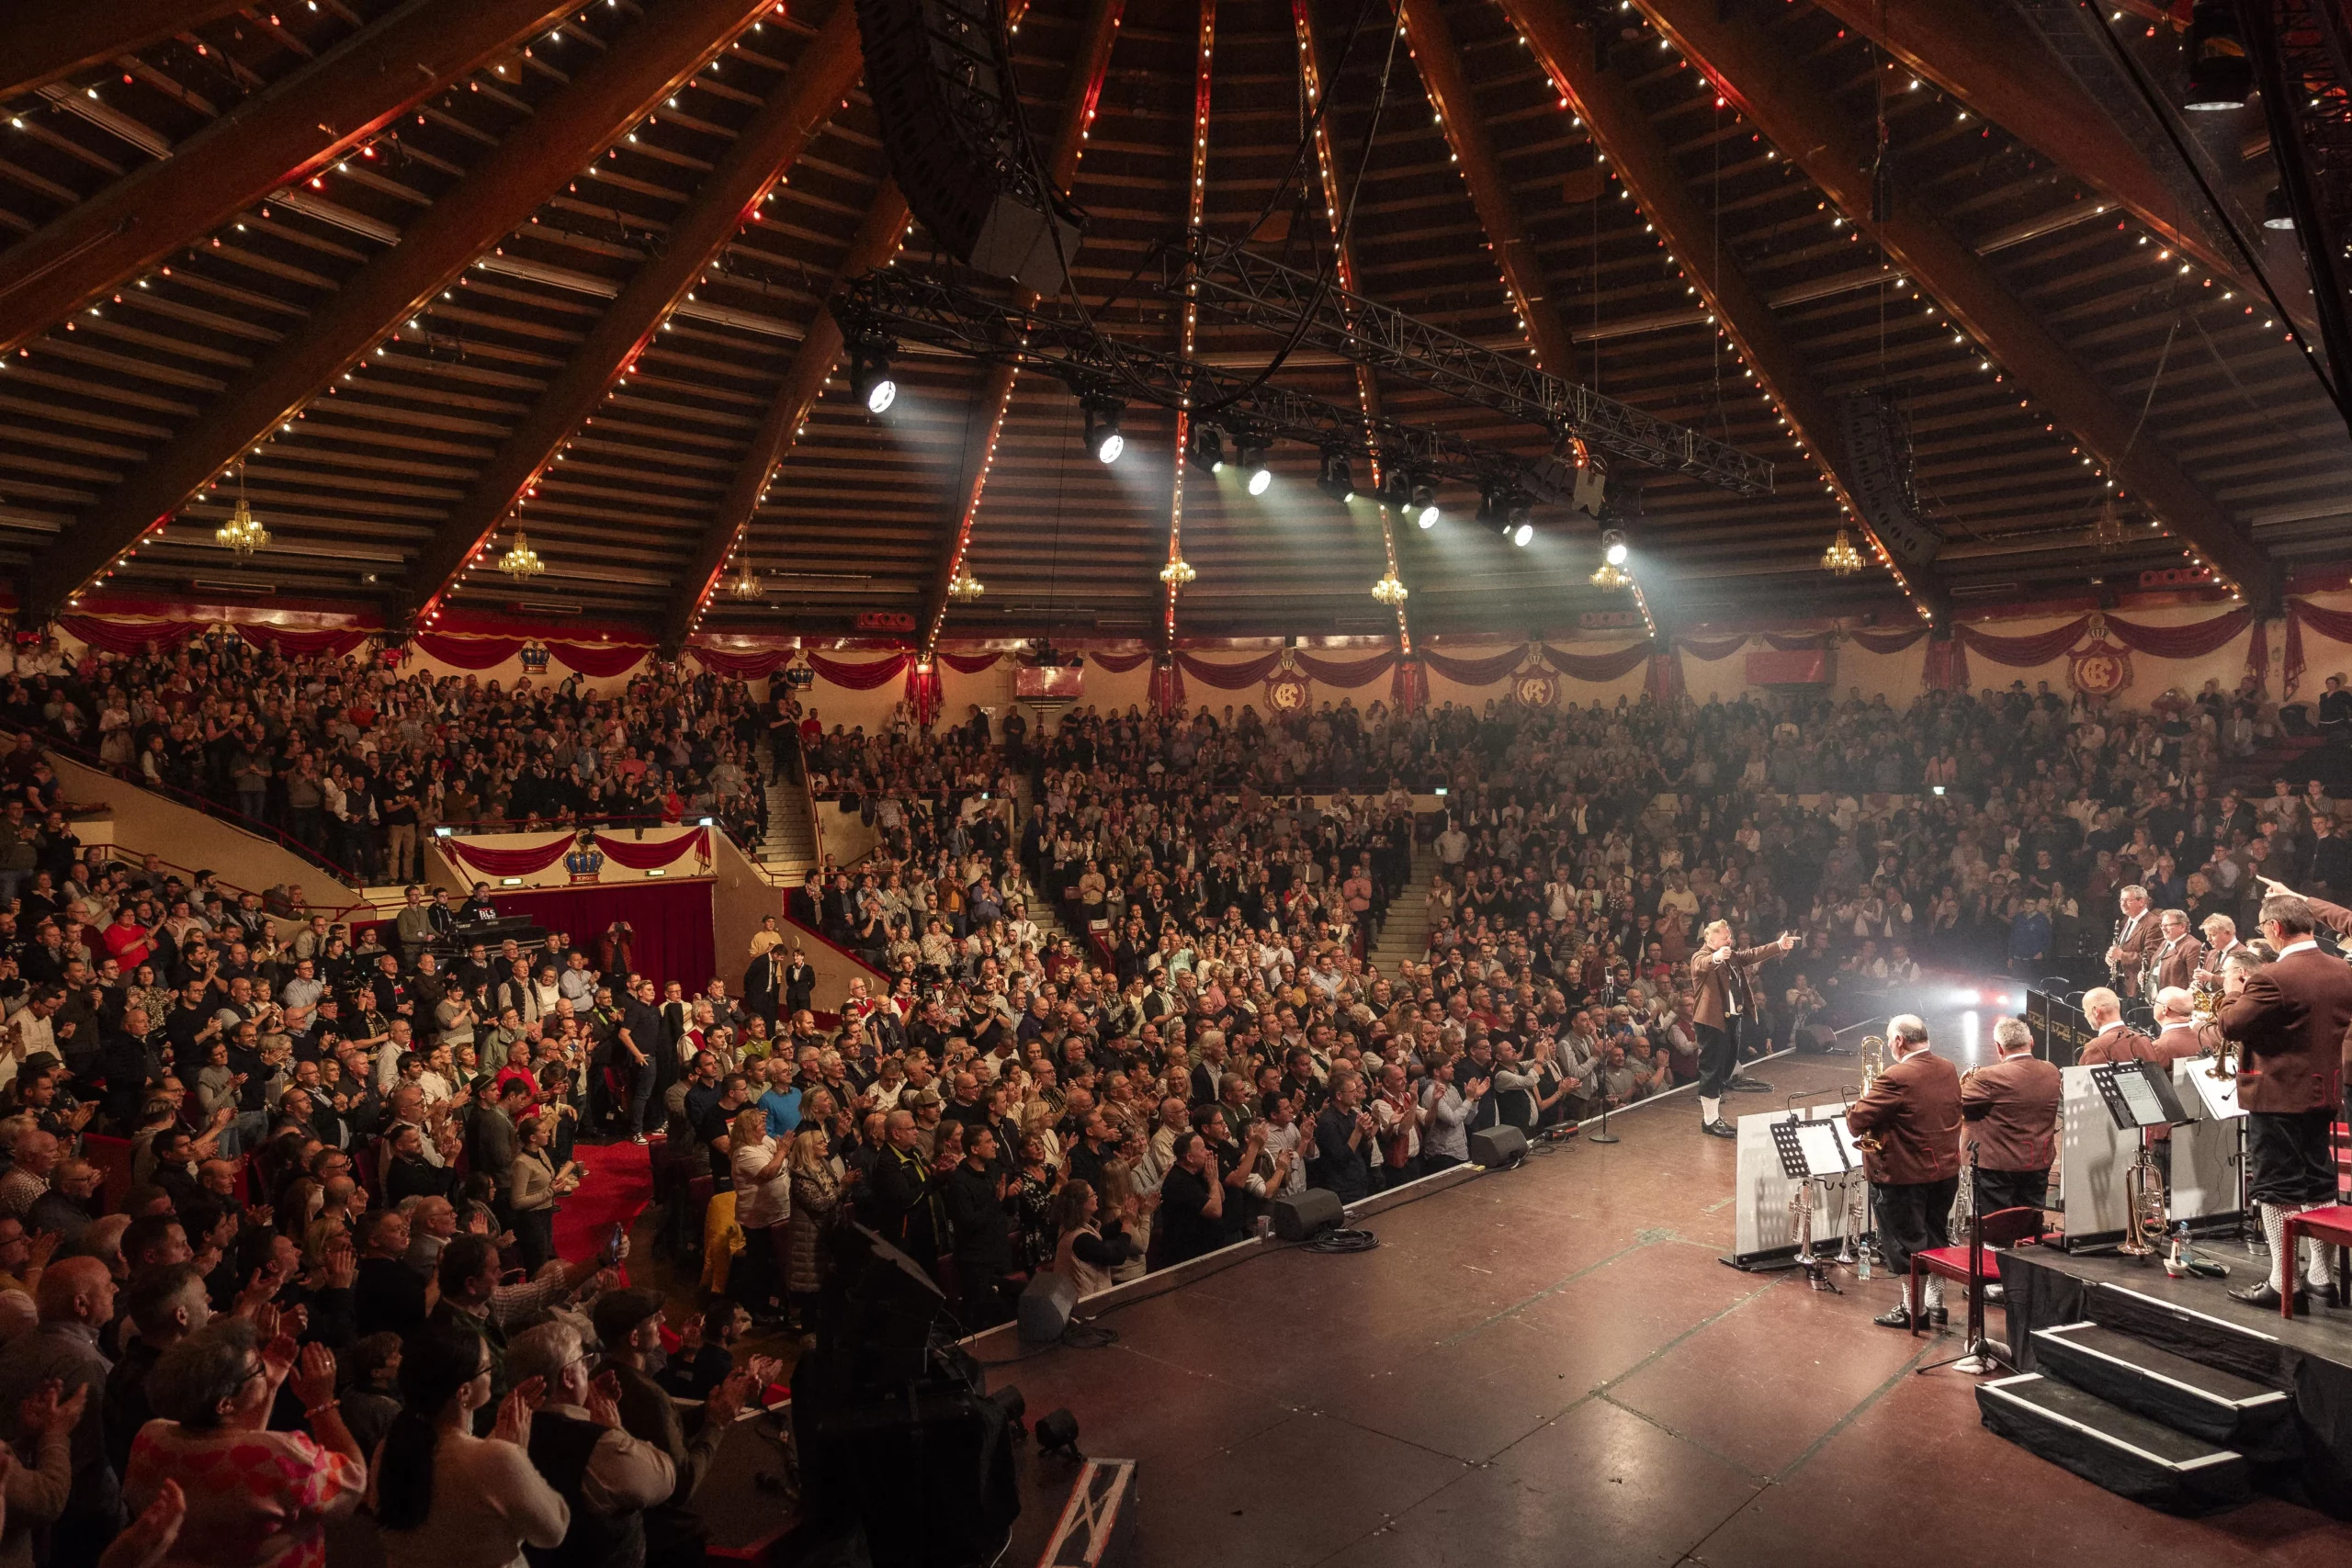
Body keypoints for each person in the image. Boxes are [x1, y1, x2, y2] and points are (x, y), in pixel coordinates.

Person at [121, 1316, 365, 1568]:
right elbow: (353, 1486)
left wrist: (267, 1386)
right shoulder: (284, 1456)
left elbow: (235, 1450)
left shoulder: (150, 1436)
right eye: (257, 1368)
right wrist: (321, 1404)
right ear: (225, 1403)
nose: (265, 1368)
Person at [2219, 894, 2352, 1310]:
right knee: (2318, 1181)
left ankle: (2284, 1281)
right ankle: (2320, 1277)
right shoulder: (2342, 970)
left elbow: (2230, 1024)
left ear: (2275, 928)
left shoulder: (2271, 977)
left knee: (2278, 1188)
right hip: (2324, 1090)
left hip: (2277, 1093)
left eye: (2263, 929)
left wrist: (2230, 991)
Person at [370, 1326, 570, 1568]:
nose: (494, 1376)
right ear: (464, 1391)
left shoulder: (389, 1448)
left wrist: (499, 1438)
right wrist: (517, 1454)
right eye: (488, 1368)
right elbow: (553, 1530)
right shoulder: (496, 1458)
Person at [503, 1320, 675, 1568]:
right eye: (584, 1362)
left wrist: (582, 1405)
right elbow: (665, 1478)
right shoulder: (598, 1445)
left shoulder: (498, 1435)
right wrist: (614, 1427)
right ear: (568, 1378)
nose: (589, 1370)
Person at [0, 1257, 120, 1567]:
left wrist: (27, 1440)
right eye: (108, 1286)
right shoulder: (83, 1363)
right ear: (81, 1304)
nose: (116, 1289)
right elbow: (87, 1455)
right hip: (74, 1514)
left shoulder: (19, 1344)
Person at [1846, 1014, 1962, 1329]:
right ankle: (1935, 1303)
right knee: (1937, 1235)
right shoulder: (1948, 1067)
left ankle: (1914, 1310)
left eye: (1889, 1040)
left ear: (1899, 1041)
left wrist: (1858, 1103)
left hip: (1903, 1175)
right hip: (1944, 1170)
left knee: (1905, 1243)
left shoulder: (1896, 1076)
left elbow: (1856, 1121)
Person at [1687, 920, 1794, 1138]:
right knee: (1713, 1070)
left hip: (1732, 1020)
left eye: (1729, 936)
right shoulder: (1701, 956)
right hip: (1711, 1022)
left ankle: (1713, 1116)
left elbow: (1753, 954)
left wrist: (1779, 945)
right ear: (1711, 939)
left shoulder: (1732, 955)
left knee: (1726, 1068)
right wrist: (1717, 957)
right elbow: (1702, 965)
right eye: (1725, 937)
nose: (1730, 940)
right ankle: (1710, 1120)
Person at [1958, 1017, 2063, 1214]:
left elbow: (1954, 1103)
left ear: (1999, 1047)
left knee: (1997, 1228)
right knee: (2030, 1223)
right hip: (2038, 1161)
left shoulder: (1987, 1077)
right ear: (2031, 1042)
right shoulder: (2051, 1071)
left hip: (1997, 1168)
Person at [727, 1107, 791, 1326]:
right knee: (760, 1266)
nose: (764, 1126)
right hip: (758, 1219)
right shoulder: (744, 1153)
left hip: (779, 1212)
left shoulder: (765, 1143)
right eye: (760, 1124)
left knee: (775, 1263)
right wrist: (782, 1152)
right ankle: (755, 1307)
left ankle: (774, 1304)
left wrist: (782, 1151)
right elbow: (768, 1172)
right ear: (748, 1129)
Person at [2073, 987, 2155, 1065]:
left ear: (2096, 1011)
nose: (2085, 1015)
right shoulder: (2144, 1040)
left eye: (2085, 1010)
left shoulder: (2096, 1046)